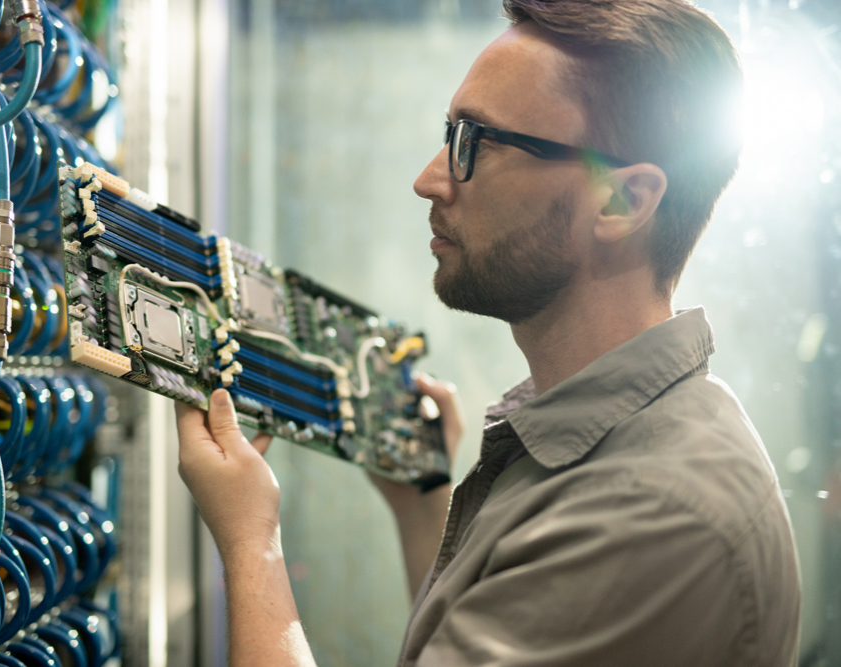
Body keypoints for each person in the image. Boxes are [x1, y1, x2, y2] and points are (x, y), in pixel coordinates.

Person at [175, 0, 802, 664]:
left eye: (477, 141)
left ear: (624, 201)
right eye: (450, 132)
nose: (429, 179)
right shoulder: (612, 439)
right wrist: (425, 511)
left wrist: (250, 542)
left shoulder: (654, 516)